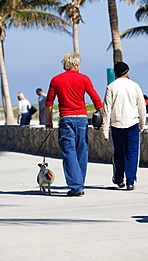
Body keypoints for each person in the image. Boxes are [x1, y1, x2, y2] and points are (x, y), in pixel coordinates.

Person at [45, 53, 103, 197]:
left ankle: (76, 186)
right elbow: (95, 98)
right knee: (82, 151)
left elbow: (49, 103)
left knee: (69, 152)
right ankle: (79, 184)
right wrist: (101, 117)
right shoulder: (84, 78)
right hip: (82, 118)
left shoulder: (56, 80)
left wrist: (48, 120)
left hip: (66, 118)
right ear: (76, 65)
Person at [103, 62, 146, 191]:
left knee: (118, 152)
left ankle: (119, 178)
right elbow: (141, 107)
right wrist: (142, 124)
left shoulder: (111, 87)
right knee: (132, 152)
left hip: (116, 124)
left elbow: (107, 110)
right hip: (132, 123)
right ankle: (131, 181)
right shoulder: (135, 86)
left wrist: (105, 131)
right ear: (126, 72)